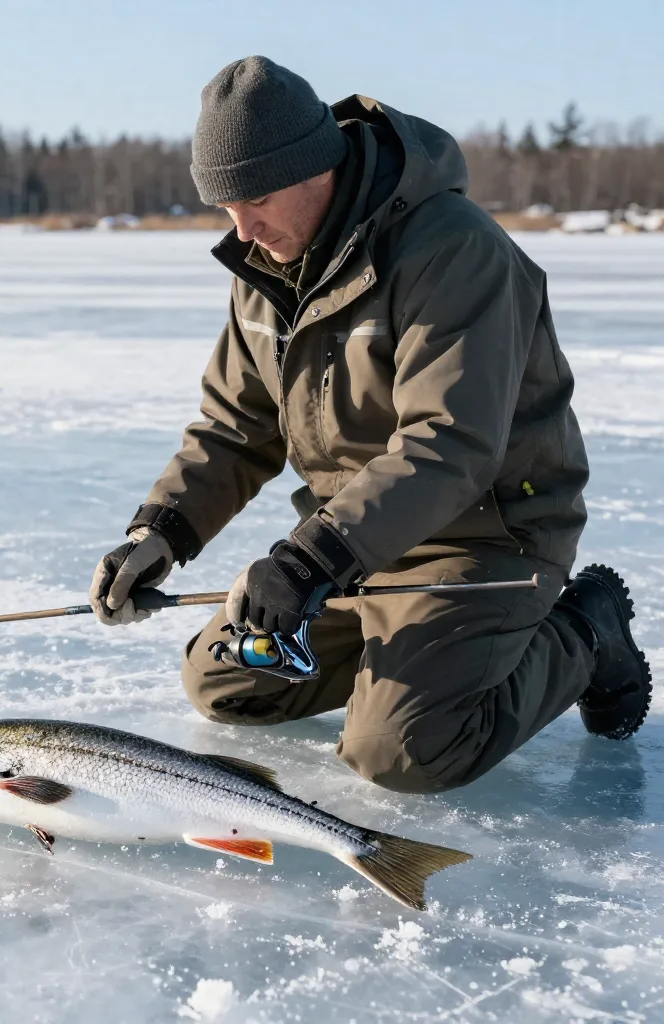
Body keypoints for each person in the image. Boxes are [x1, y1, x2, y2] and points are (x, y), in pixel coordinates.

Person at [89, 56, 652, 793]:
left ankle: (582, 632)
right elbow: (236, 426)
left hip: (487, 540)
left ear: (314, 166)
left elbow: (449, 445)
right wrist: (160, 530)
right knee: (225, 687)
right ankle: (413, 655)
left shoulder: (452, 251)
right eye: (224, 208)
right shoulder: (267, 268)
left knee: (402, 754)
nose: (243, 230)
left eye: (255, 198)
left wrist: (308, 562)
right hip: (357, 548)